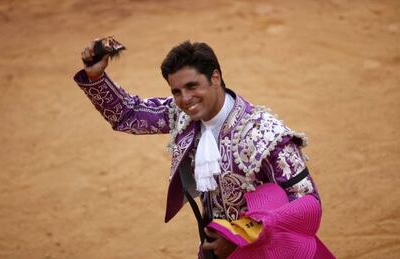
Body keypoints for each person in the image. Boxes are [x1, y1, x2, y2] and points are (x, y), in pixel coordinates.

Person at [74, 39, 330, 259]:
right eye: (176, 91)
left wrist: (241, 238)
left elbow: (307, 204)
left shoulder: (265, 134)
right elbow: (128, 114)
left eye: (192, 86)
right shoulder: (183, 117)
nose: (185, 99)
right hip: (214, 248)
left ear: (215, 77)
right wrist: (96, 77)